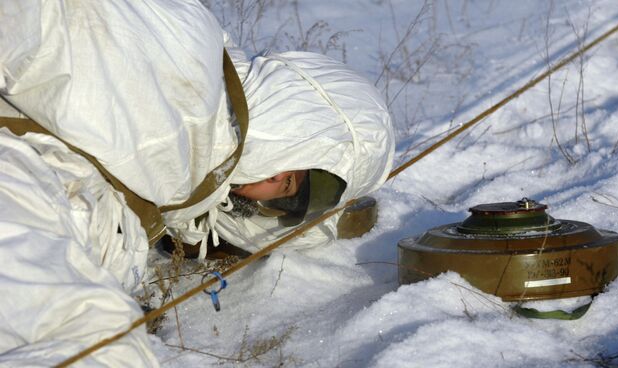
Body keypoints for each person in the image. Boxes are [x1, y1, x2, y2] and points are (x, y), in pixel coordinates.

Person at [0, 0, 393, 366]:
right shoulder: (187, 57)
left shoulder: (199, 179)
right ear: (291, 114)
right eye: (288, 172)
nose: (273, 181)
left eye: (288, 193)